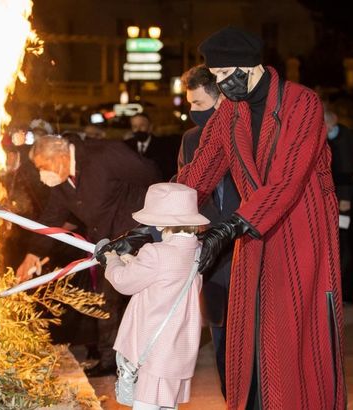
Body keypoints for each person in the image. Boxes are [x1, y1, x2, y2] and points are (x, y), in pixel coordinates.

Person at [99, 26, 346, 409]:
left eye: (221, 75)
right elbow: (200, 172)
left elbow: (288, 179)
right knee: (248, 334)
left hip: (300, 230)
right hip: (251, 228)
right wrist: (148, 229)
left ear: (249, 67)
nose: (218, 83)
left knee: (291, 331)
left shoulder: (302, 103)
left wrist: (230, 227)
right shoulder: (231, 111)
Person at [17, 134, 161, 376]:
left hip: (138, 236)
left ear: (60, 157)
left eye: (43, 166)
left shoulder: (104, 155)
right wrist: (33, 253)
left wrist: (150, 223)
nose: (42, 175)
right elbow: (51, 219)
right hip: (108, 246)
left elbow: (151, 175)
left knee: (146, 301)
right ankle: (110, 360)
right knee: (106, 302)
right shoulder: (63, 182)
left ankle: (154, 358)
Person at [101, 183, 208, 410]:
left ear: (160, 222)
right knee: (167, 407)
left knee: (145, 405)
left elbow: (123, 281)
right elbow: (164, 277)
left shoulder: (155, 253)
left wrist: (110, 259)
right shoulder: (196, 251)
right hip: (177, 350)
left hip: (152, 351)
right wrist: (132, 260)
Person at [177, 64, 241, 398]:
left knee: (253, 342)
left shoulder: (244, 134)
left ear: (220, 100)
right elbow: (185, 194)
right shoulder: (189, 141)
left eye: (199, 105)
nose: (192, 113)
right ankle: (231, 398)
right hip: (212, 260)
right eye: (189, 105)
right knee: (221, 342)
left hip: (247, 249)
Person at [324, 103, 353, 304]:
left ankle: (344, 291)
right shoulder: (338, 136)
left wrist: (345, 199)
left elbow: (347, 171)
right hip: (338, 199)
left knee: (342, 243)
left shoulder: (341, 139)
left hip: (342, 203)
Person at [125, 113, 179, 181]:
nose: (138, 129)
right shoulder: (126, 146)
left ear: (150, 127)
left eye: (142, 125)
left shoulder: (163, 146)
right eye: (135, 126)